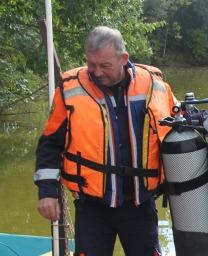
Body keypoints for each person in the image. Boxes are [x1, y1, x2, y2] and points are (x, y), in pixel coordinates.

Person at [34, 26, 179, 255]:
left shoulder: (154, 84)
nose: (97, 72)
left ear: (123, 58)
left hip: (140, 206)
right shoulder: (70, 88)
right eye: (91, 64)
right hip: (92, 208)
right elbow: (50, 143)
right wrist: (47, 192)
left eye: (104, 65)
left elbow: (179, 129)